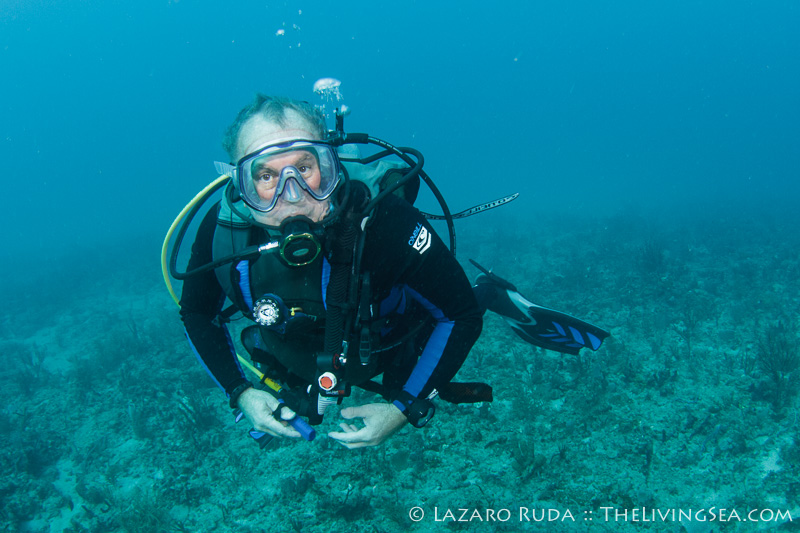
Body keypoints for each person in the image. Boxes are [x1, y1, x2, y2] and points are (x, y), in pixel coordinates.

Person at [177, 94, 608, 449]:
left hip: (388, 345)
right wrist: (241, 392)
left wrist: (403, 409)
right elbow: (197, 312)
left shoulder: (383, 221)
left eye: (305, 168)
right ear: (240, 185)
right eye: (266, 176)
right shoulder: (224, 235)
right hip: (295, 356)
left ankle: (491, 292)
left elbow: (458, 314)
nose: (292, 195)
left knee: (419, 359)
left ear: (331, 165)